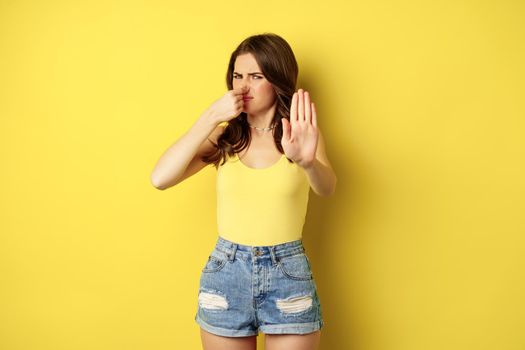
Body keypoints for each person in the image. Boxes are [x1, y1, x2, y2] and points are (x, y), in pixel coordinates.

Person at [150, 32, 337, 350]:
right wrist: (210, 118)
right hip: (227, 272)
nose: (243, 86)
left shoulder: (300, 134)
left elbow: (327, 187)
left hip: (287, 273)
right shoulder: (226, 138)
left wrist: (307, 162)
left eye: (255, 76)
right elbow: (160, 178)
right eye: (237, 76)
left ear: (277, 79)